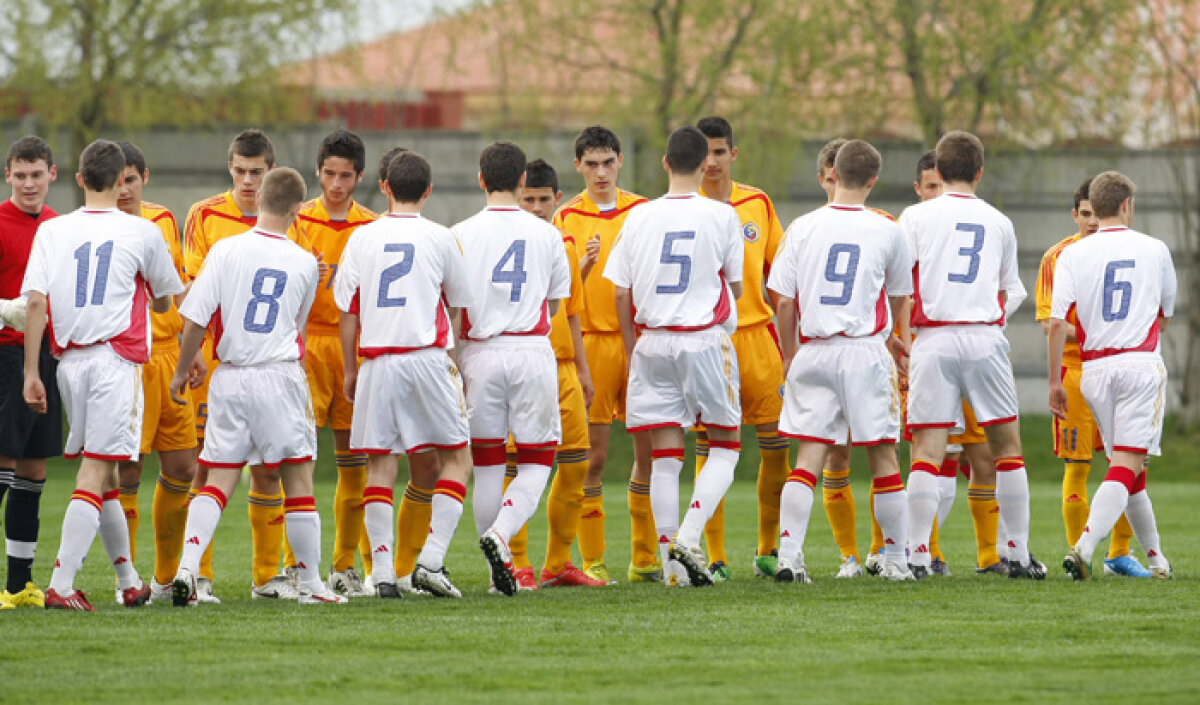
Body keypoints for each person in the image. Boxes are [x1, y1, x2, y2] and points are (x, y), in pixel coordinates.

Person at [170, 167, 343, 605]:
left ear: (260, 196)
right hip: (279, 374)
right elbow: (297, 330)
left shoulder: (225, 250)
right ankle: (311, 587)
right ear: (298, 209)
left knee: (217, 478)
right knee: (298, 480)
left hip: (230, 375)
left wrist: (184, 366)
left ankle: (188, 573)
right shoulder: (305, 262)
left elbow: (194, 317)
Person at [22, 139, 184, 610]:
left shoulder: (53, 231)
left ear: (76, 179)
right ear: (120, 181)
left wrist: (33, 371)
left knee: (107, 471)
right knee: (97, 469)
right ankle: (62, 584)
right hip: (116, 360)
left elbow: (35, 302)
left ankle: (129, 579)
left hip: (68, 362)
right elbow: (164, 301)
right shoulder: (142, 231)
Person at [767, 139, 914, 583]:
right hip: (864, 350)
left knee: (809, 455)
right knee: (883, 457)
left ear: (833, 175)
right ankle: (896, 561)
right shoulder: (888, 230)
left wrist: (790, 354)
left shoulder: (803, 227)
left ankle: (790, 556)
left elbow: (784, 302)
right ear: (873, 180)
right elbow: (899, 295)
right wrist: (897, 340)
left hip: (813, 349)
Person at [603, 126, 744, 588]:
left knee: (664, 455)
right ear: (706, 164)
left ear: (665, 164)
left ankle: (671, 568)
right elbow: (737, 286)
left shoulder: (638, 217)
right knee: (725, 443)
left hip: (651, 342)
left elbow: (620, 292)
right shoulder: (722, 215)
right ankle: (689, 535)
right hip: (702, 337)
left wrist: (630, 346)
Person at [899, 130, 1042, 580]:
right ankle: (1015, 553)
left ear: (937, 172)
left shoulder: (915, 217)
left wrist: (899, 336)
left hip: (933, 338)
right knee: (1007, 448)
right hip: (982, 336)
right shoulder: (999, 221)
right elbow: (1006, 289)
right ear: (980, 172)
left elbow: (899, 284)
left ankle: (917, 554)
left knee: (927, 450)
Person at [335, 151, 477, 598]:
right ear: (429, 190)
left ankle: (381, 571)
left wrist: (351, 369)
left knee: (380, 464)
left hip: (378, 361)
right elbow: (456, 304)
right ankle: (431, 561)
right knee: (457, 458)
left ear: (384, 187)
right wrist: (454, 362)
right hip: (427, 356)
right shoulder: (440, 237)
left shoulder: (362, 238)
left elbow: (347, 311)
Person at [455, 141, 570, 596]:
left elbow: (453, 305)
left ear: (481, 179)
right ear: (523, 182)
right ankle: (501, 535)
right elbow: (556, 303)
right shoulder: (547, 233)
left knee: (486, 464)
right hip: (530, 349)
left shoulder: (459, 233)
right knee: (539, 460)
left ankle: (493, 575)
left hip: (480, 352)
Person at [1053, 171, 1174, 581]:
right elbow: (1166, 313)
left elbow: (1055, 324)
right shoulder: (1154, 248)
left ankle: (1157, 560)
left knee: (1129, 467)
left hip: (1093, 370)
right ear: (1126, 205)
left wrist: (1053, 381)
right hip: (1138, 364)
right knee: (1126, 463)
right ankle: (1085, 546)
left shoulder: (1072, 253)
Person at [497, 158, 605, 588]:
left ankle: (558, 563)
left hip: (562, 368)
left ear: (557, 199)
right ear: (517, 198)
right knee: (516, 463)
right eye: (529, 199)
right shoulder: (503, 243)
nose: (537, 207)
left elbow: (573, 313)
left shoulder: (563, 242)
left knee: (578, 462)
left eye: (544, 199)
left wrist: (582, 369)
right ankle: (517, 560)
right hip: (522, 363)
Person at [553, 126, 654, 584]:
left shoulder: (645, 212)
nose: (599, 172)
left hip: (641, 342)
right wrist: (582, 268)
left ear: (619, 162)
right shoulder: (564, 217)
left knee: (650, 450)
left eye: (607, 162)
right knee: (592, 457)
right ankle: (592, 558)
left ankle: (645, 558)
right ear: (578, 166)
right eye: (590, 164)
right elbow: (557, 292)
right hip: (590, 342)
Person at [1036, 177, 1149, 578]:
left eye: (1094, 215)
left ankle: (1119, 554)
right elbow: (1050, 322)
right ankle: (1076, 558)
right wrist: (1092, 333)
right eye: (1084, 215)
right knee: (1078, 466)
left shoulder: (1128, 251)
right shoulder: (1058, 256)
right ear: (1075, 215)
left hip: (1117, 368)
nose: (1091, 223)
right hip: (1076, 372)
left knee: (1125, 464)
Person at [694, 116, 789, 582]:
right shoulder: (681, 210)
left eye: (719, 151)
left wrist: (793, 347)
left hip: (758, 339)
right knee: (710, 450)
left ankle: (767, 549)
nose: (711, 162)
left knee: (776, 448)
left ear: (734, 153)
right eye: (704, 152)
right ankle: (712, 557)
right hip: (706, 343)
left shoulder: (756, 203)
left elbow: (781, 278)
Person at [289, 128, 378, 596]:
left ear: (360, 177)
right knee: (298, 460)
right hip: (305, 348)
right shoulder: (297, 220)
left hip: (353, 348)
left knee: (353, 463)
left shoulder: (372, 226)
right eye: (329, 174)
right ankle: (294, 565)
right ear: (317, 173)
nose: (337, 184)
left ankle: (345, 565)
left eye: (346, 176)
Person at [112, 141, 200, 604]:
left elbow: (177, 284)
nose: (124, 188)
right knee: (128, 468)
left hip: (170, 354)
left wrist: (193, 347)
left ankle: (167, 581)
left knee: (183, 464)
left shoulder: (163, 219)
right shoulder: (102, 227)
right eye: (118, 180)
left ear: (144, 177)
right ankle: (127, 578)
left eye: (131, 179)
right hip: (129, 358)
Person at [811, 138, 897, 578]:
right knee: (835, 457)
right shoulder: (810, 227)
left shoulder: (883, 225)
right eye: (827, 177)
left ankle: (882, 549)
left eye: (837, 175)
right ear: (823, 178)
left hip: (868, 353)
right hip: (827, 352)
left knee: (881, 450)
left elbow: (900, 288)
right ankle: (848, 556)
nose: (833, 182)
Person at [0, 136, 59, 610]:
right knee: (2, 464)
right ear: (8, 177)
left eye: (36, 174)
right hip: (5, 356)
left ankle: (19, 586)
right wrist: (6, 311)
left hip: (48, 359)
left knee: (34, 470)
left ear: (52, 176)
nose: (28, 183)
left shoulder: (61, 228)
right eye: (20, 175)